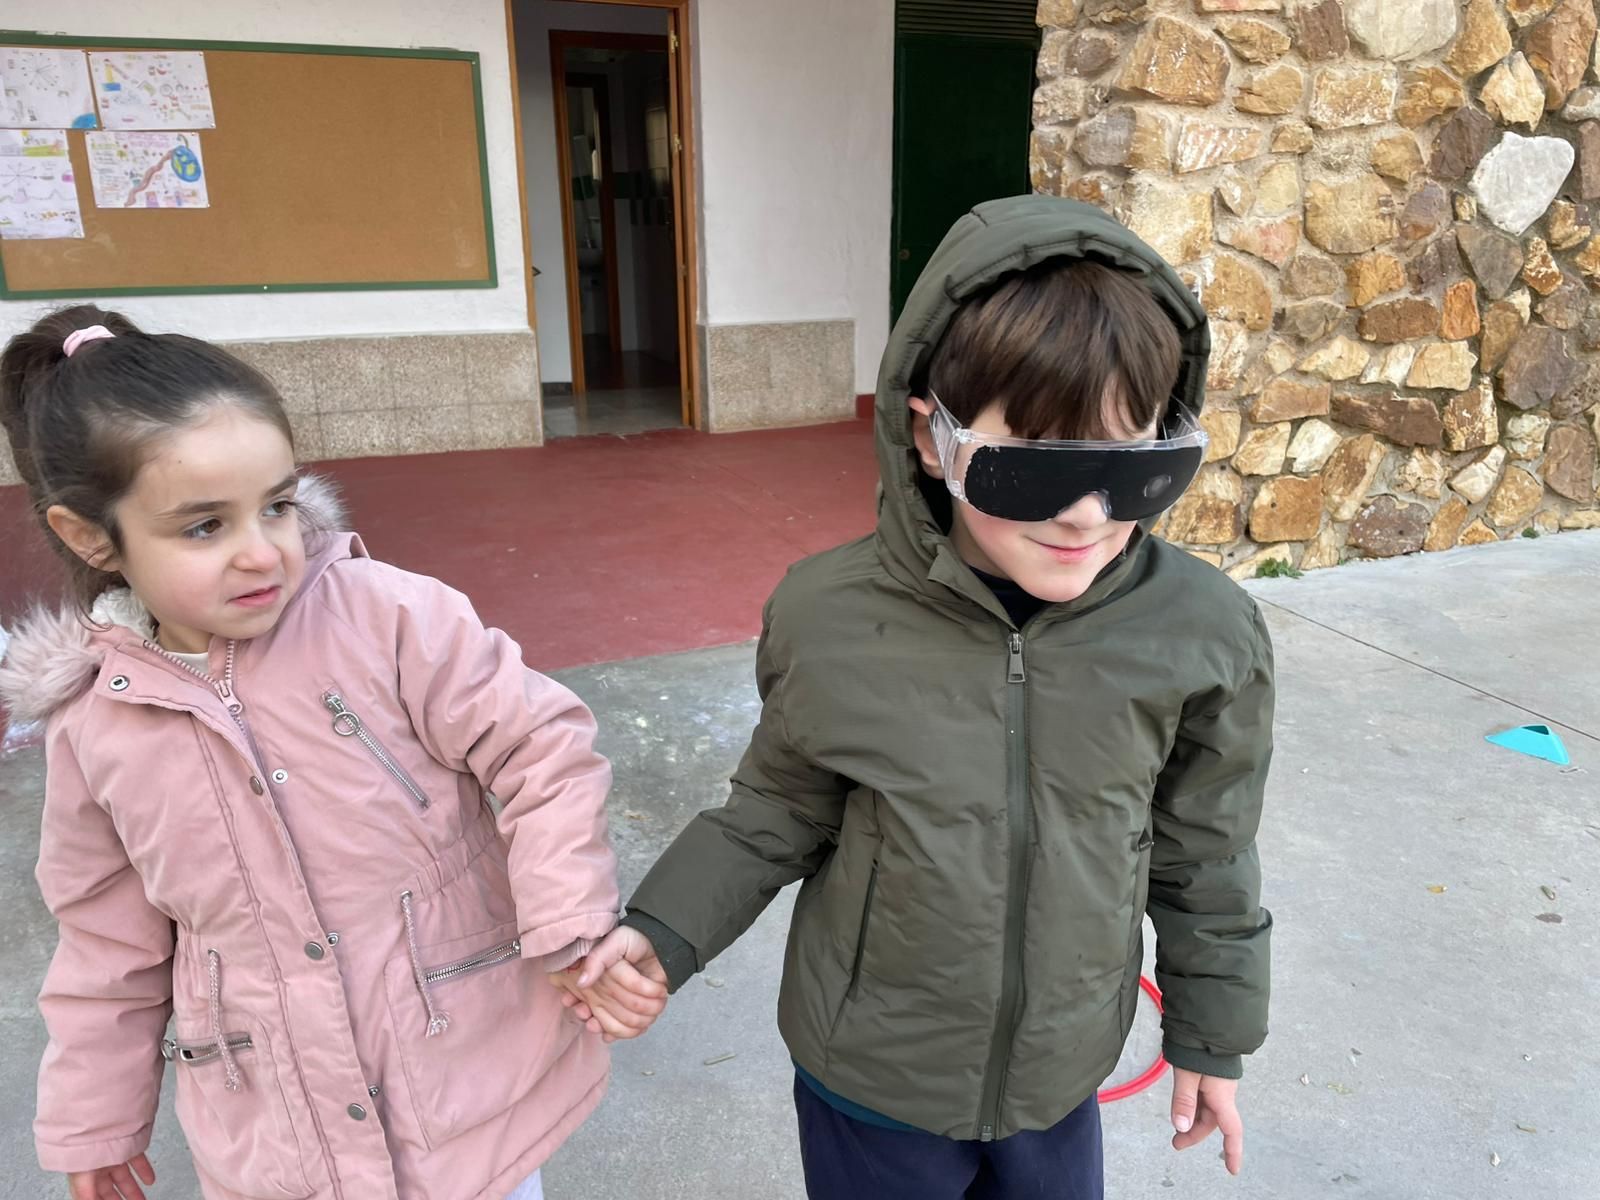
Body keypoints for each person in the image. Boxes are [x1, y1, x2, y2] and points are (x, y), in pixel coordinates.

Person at [557, 195, 1276, 1198]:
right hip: (870, 1074)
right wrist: (663, 930)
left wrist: (1212, 1035)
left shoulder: (1202, 631)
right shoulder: (829, 616)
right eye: (1031, 467)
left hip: (1058, 1070)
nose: (1084, 513)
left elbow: (1207, 853)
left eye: (1132, 466)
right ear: (934, 440)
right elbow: (776, 810)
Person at [0, 306, 621, 1200]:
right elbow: (105, 947)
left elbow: (540, 747)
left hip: (464, 1093)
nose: (263, 554)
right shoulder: (96, 726)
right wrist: (94, 1122)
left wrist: (567, 918)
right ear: (90, 535)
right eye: (205, 527)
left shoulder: (388, 618)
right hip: (280, 1137)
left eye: (278, 506)